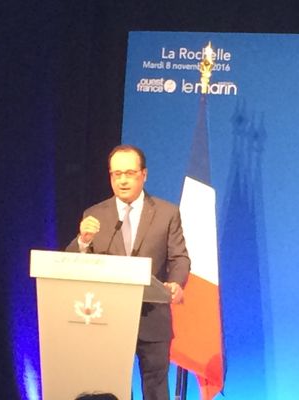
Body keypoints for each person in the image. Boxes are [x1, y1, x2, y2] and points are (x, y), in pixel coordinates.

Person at [66, 144, 190, 400]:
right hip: (108, 317)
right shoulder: (94, 214)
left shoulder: (167, 213)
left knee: (155, 389)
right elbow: (72, 264)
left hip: (152, 318)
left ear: (144, 174)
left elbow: (179, 258)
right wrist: (83, 241)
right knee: (110, 388)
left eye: (130, 173)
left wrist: (176, 284)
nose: (122, 180)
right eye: (116, 174)